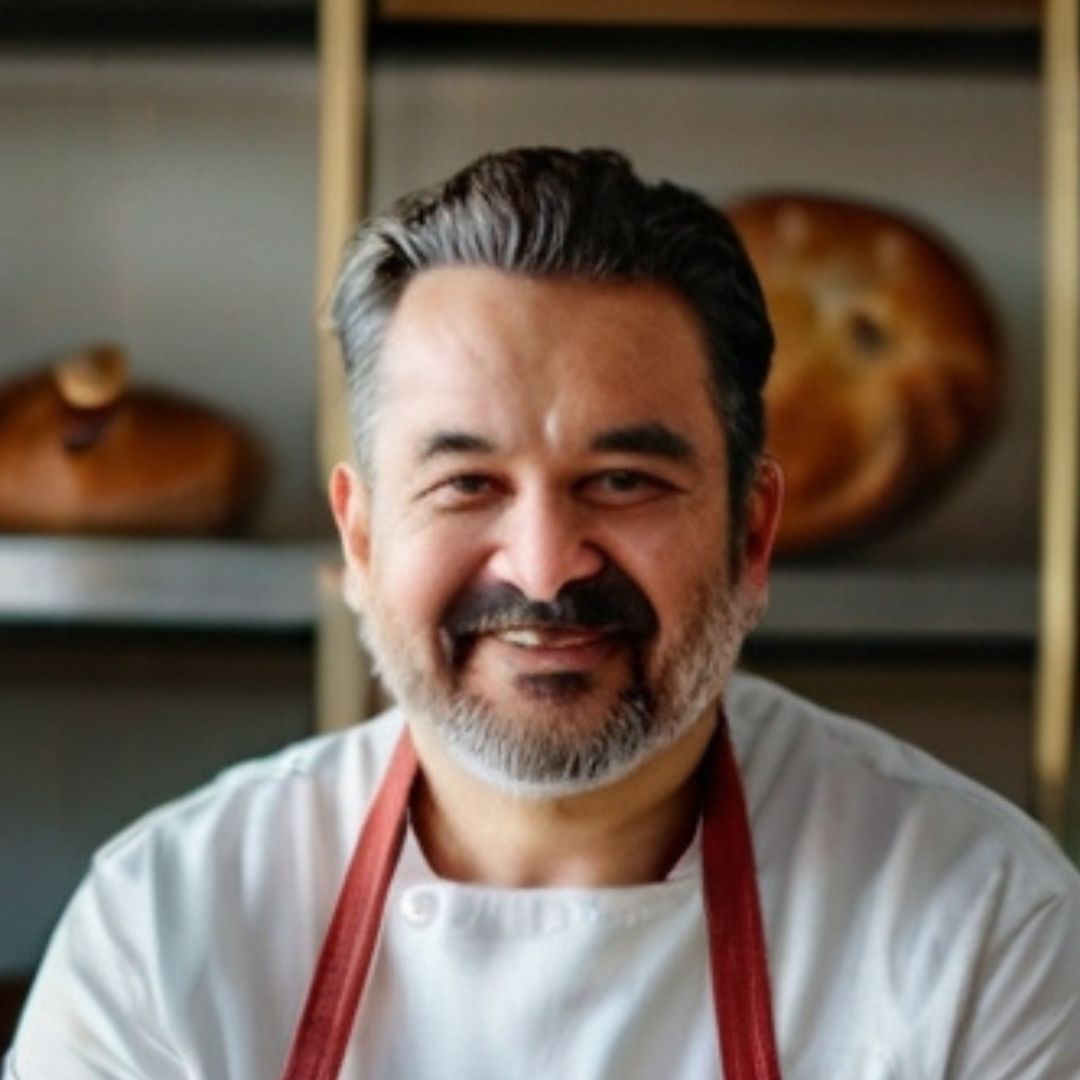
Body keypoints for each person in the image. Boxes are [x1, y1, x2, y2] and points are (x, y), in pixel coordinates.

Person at [5, 147, 1080, 1080]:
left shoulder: (981, 926)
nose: (545, 566)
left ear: (752, 537)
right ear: (363, 541)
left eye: (623, 481)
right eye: (467, 483)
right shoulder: (164, 930)